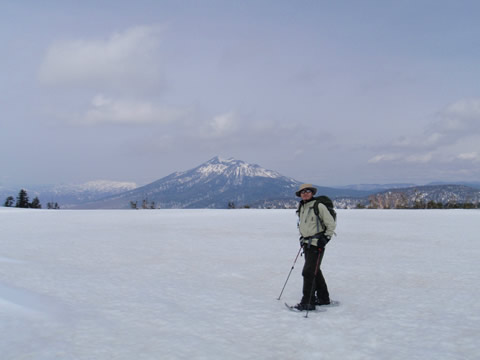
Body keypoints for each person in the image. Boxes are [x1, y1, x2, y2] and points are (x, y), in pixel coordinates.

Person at [294, 184, 336, 311]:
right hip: (307, 243)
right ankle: (324, 298)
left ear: (312, 193)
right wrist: (302, 238)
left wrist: (326, 238)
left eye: (308, 191)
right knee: (314, 270)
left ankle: (308, 302)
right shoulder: (302, 206)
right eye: (302, 192)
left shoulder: (319, 206)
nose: (305, 193)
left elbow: (331, 224)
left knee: (308, 272)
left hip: (317, 243)